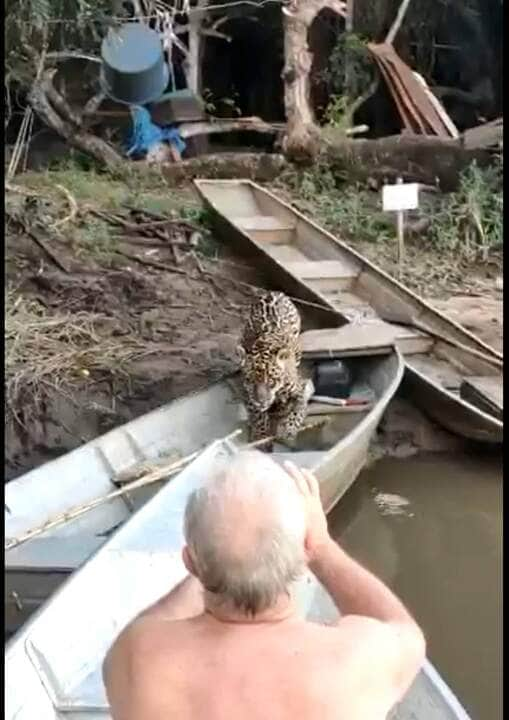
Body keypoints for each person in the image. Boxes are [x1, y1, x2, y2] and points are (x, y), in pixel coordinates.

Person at [103, 451, 426, 720]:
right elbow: (401, 628)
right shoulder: (357, 659)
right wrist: (323, 547)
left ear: (190, 562)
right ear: (303, 551)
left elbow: (152, 622)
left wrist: (215, 565)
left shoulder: (137, 656)